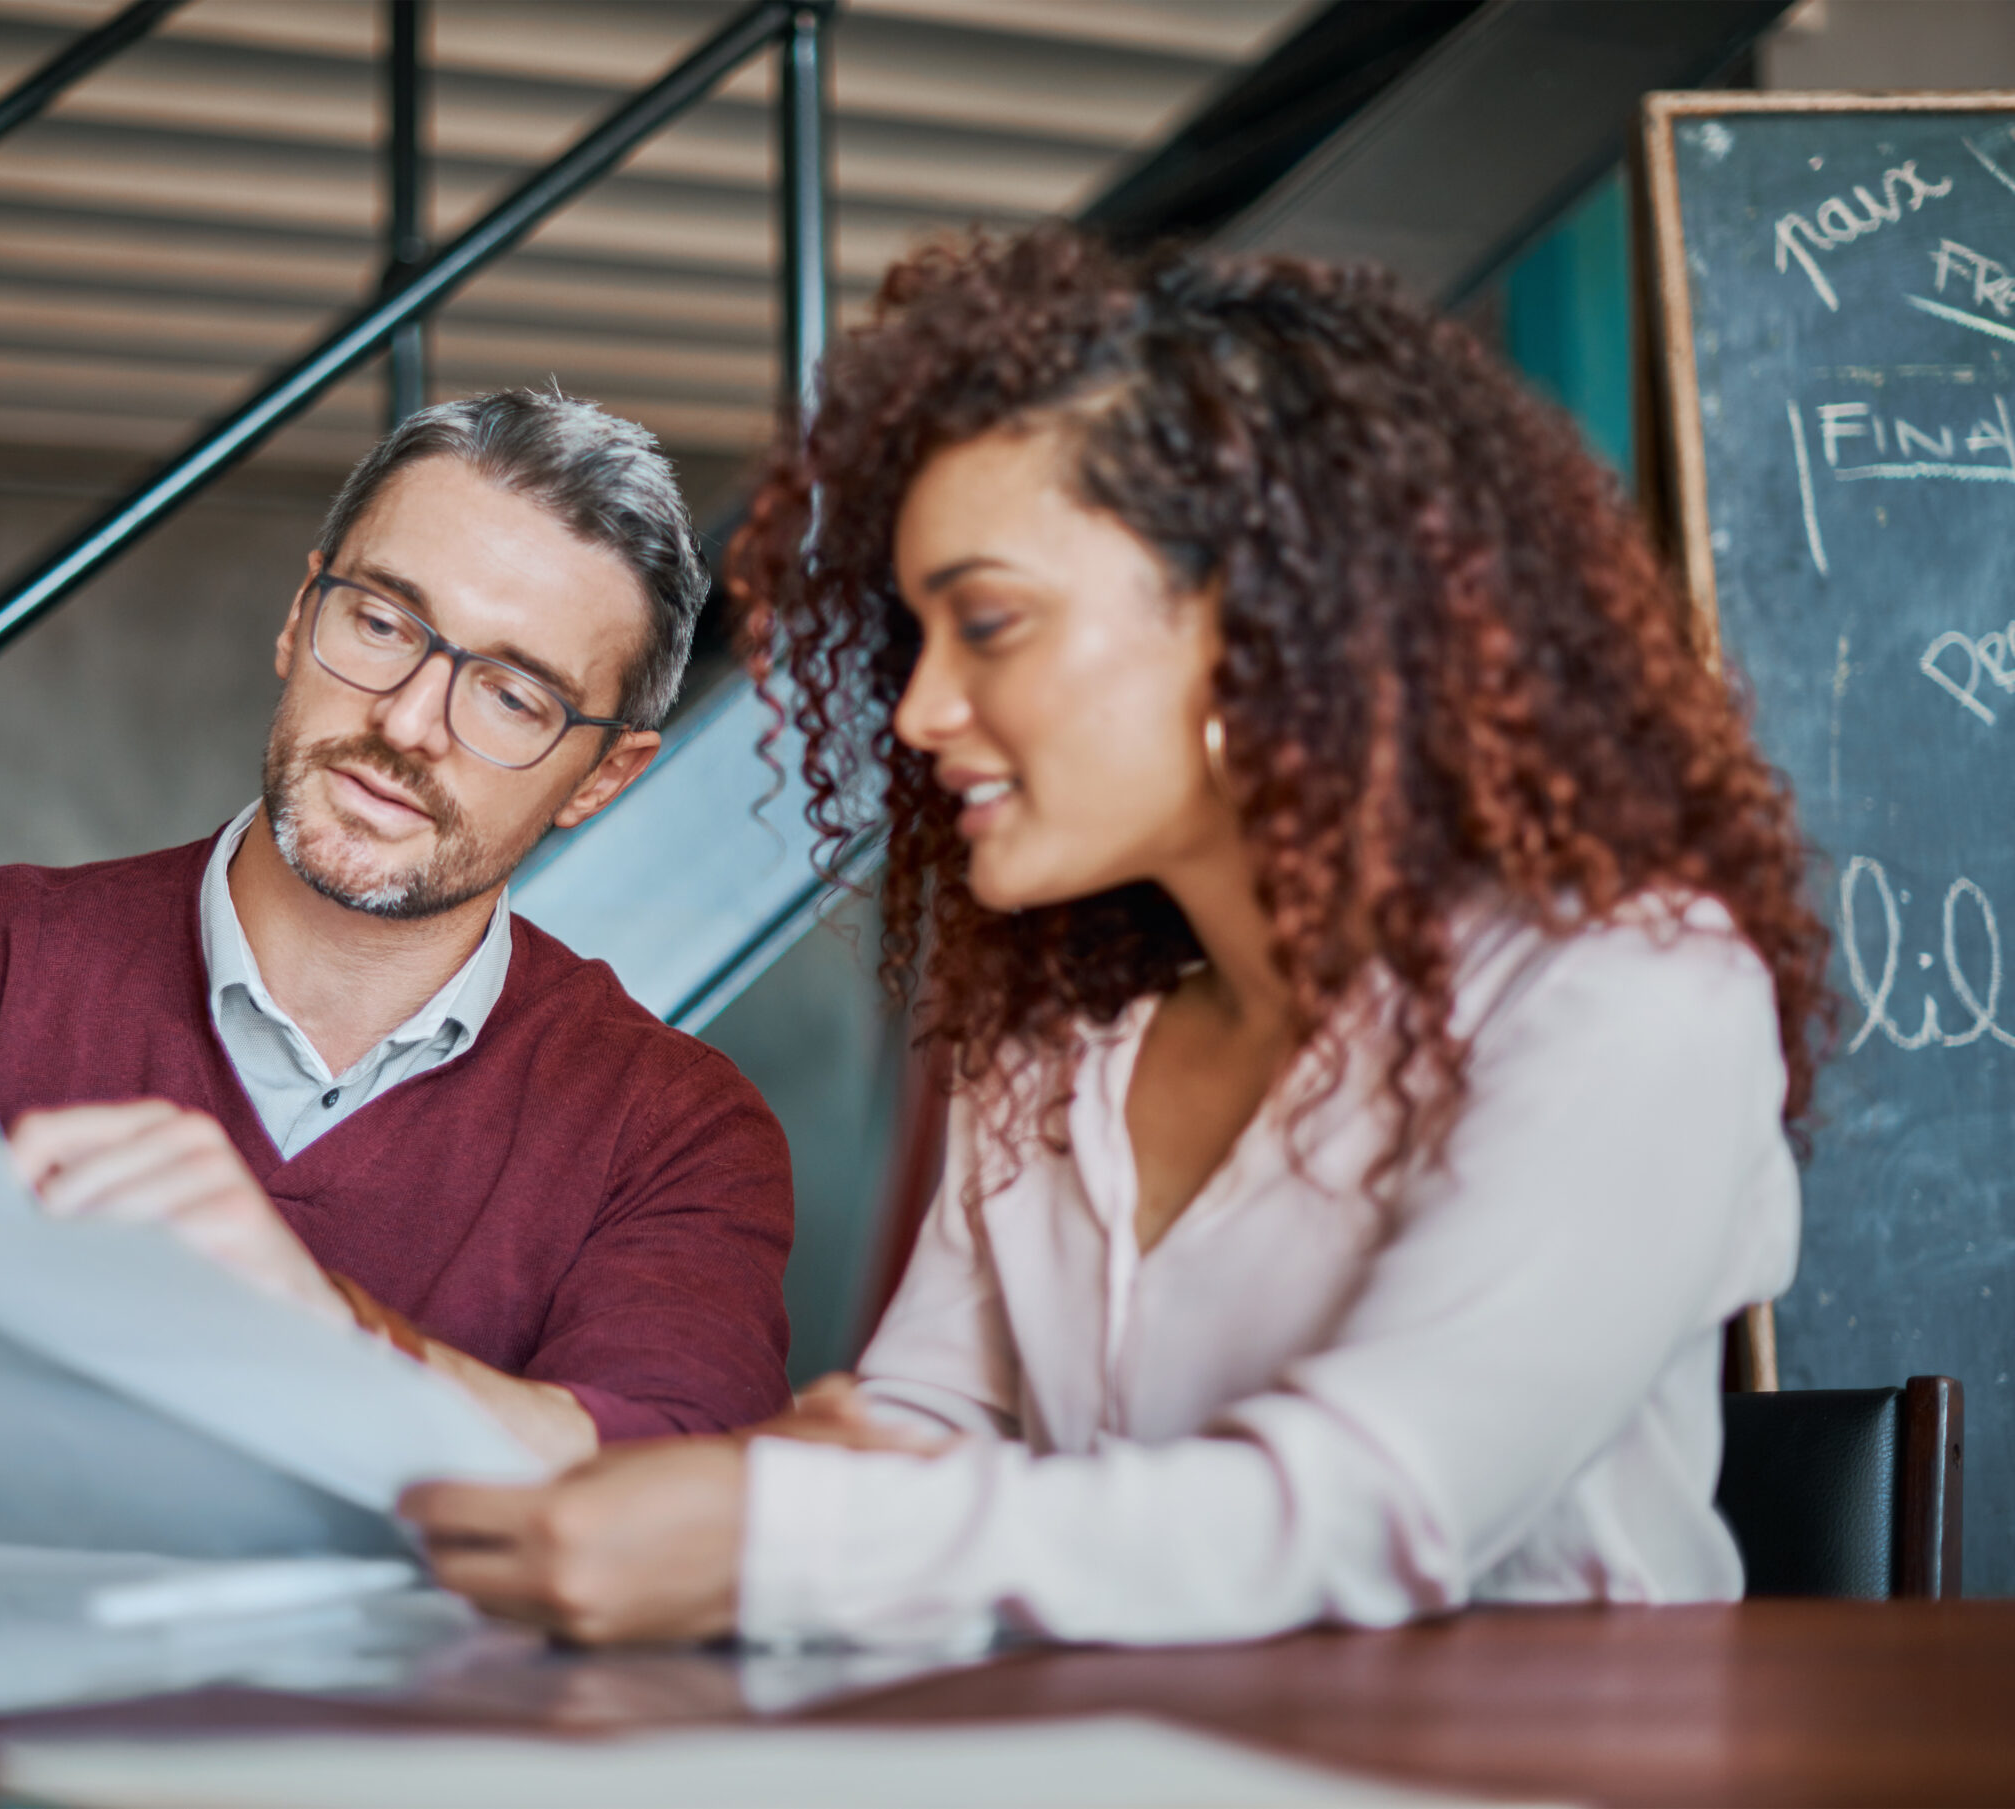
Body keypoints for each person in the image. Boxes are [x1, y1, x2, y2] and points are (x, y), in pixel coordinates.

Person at [398, 232, 1830, 1648]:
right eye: (919, 639)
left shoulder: (1635, 995)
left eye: (993, 623)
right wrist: (808, 1487)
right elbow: (917, 1433)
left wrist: (788, 1529)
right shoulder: (1054, 1052)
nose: (919, 711)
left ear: (1259, 618)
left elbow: (1378, 1506)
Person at [0, 389, 795, 1557]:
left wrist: (323, 1336)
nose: (406, 720)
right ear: (300, 619)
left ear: (607, 777)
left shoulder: (675, 1129)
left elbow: (687, 1513)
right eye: (382, 620)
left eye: (513, 695)